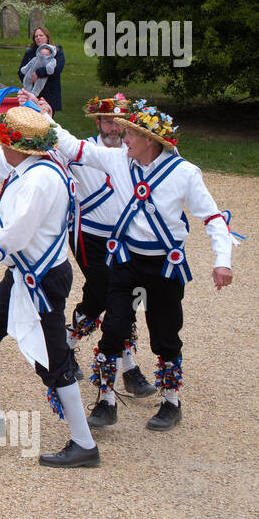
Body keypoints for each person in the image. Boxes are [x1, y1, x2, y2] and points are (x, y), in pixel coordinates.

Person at [46, 96, 235, 432]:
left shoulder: (185, 173)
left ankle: (171, 403)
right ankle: (105, 401)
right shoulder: (120, 160)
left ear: (150, 139)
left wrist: (223, 261)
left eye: (131, 132)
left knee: (165, 334)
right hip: (126, 263)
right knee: (114, 329)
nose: (123, 136)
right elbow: (76, 149)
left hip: (165, 267)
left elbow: (213, 217)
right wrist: (43, 118)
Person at [0, 97, 100, 467]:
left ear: (16, 145)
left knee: (54, 362)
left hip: (41, 279)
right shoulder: (30, 166)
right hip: (27, 275)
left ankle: (84, 444)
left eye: (3, 141)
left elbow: (13, 239)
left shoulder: (38, 181)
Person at [65, 93, 153, 398]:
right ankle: (127, 368)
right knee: (108, 292)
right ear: (98, 121)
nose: (113, 127)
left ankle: (69, 345)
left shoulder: (137, 153)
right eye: (106, 120)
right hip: (89, 236)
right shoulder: (84, 150)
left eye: (119, 121)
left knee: (115, 298)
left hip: (126, 240)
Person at [18, 27, 65, 113]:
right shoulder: (30, 53)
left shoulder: (56, 51)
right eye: (36, 36)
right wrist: (30, 80)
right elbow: (21, 72)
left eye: (41, 35)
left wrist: (38, 73)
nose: (38, 38)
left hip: (49, 93)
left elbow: (57, 69)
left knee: (47, 122)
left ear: (47, 37)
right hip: (31, 93)